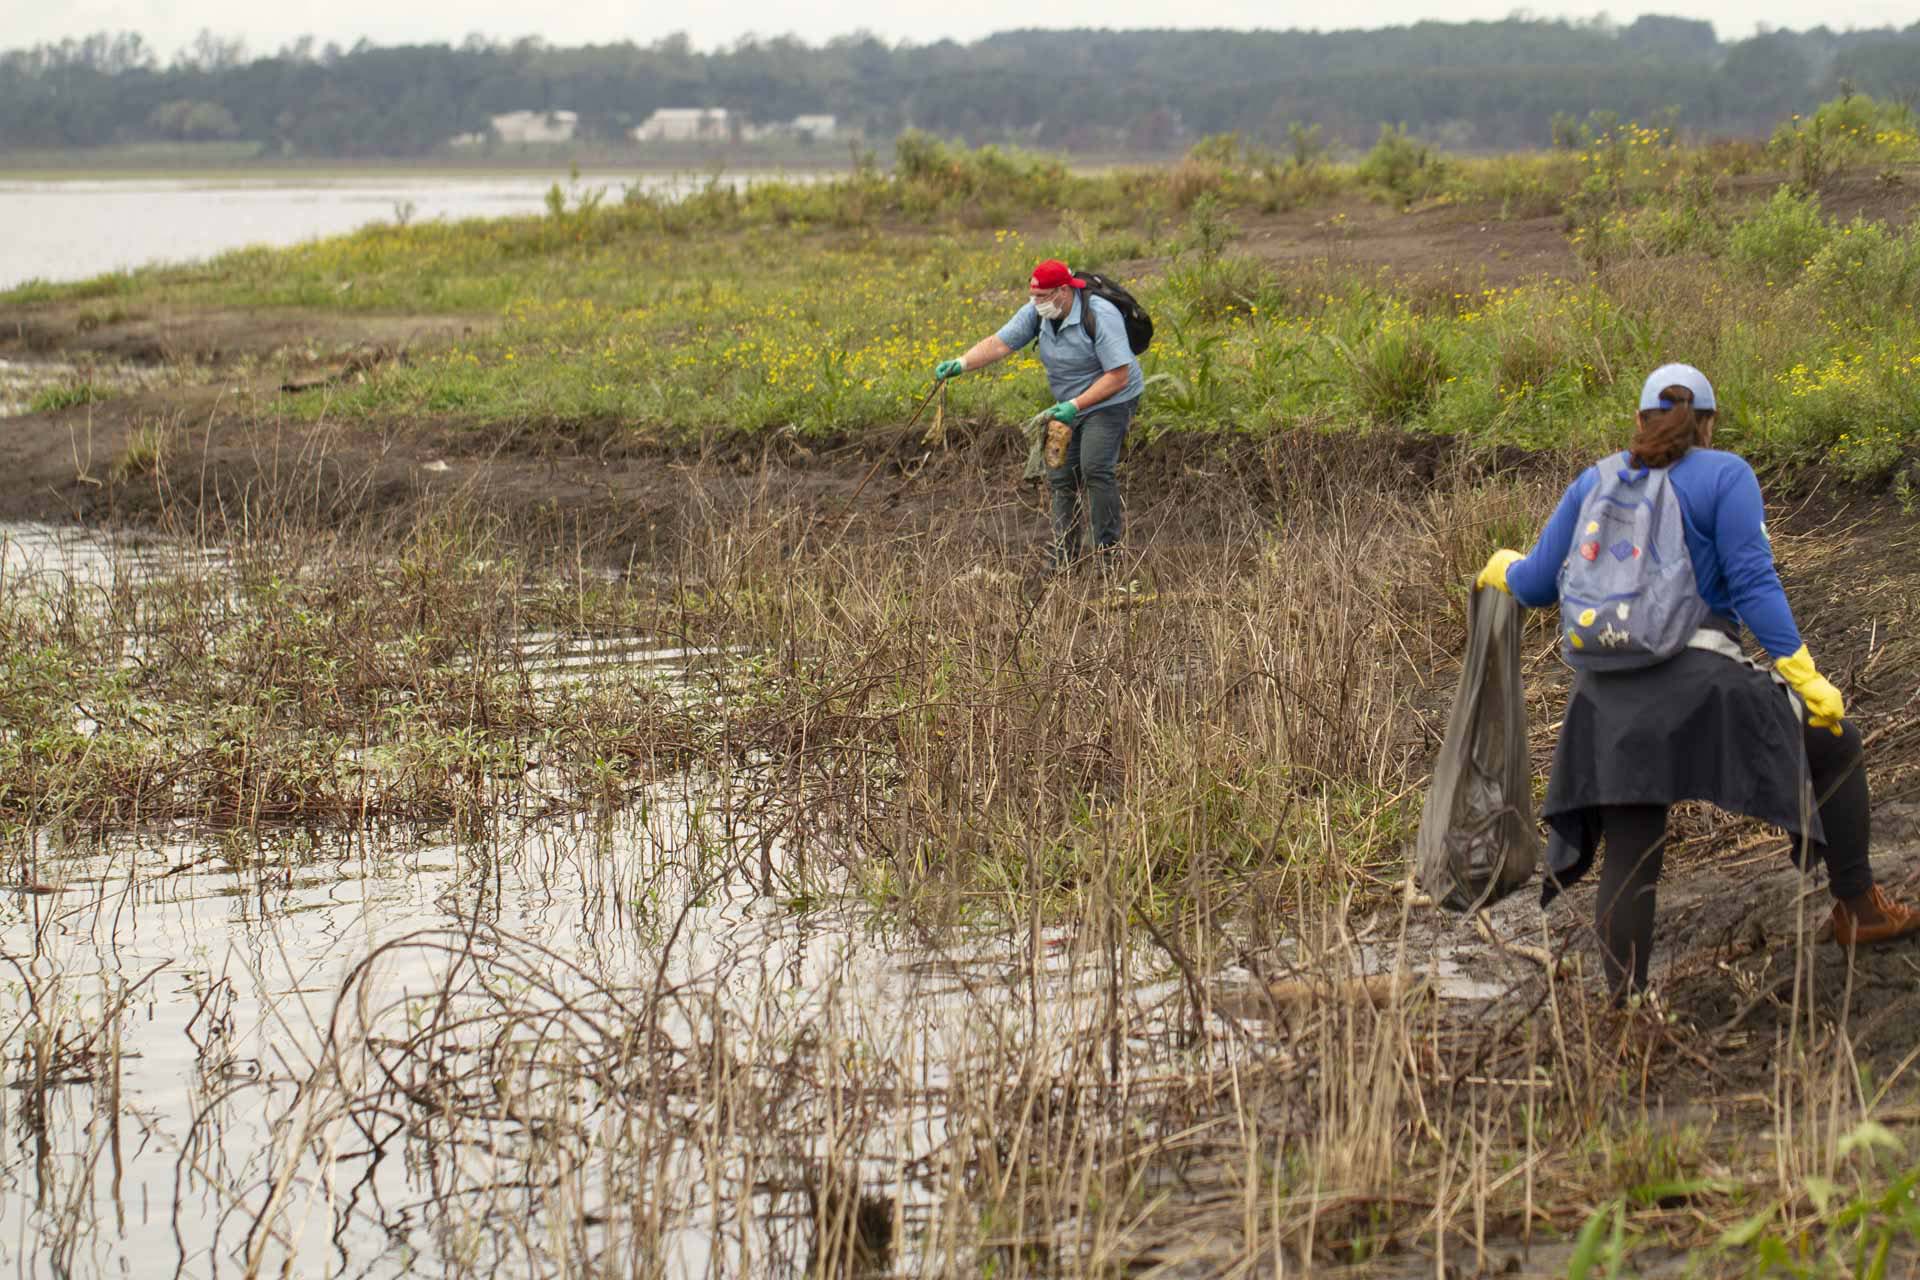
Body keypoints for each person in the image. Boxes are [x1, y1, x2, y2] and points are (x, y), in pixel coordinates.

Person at [1476, 363, 1919, 1002]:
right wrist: (1805, 675)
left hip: (1606, 700)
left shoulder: (1593, 482)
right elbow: (1753, 584)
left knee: (1632, 848)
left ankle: (1627, 1011)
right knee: (1837, 741)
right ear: (1707, 424)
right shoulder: (1725, 475)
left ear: (1641, 419)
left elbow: (1540, 584)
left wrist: (1503, 568)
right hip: (1702, 683)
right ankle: (1859, 908)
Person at [933, 259, 1145, 572]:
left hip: (1110, 399)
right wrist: (962, 363)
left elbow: (1118, 377)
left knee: (1095, 467)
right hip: (1068, 403)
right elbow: (1000, 344)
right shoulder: (1036, 312)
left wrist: (1076, 406)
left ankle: (1106, 554)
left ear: (1063, 291)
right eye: (1034, 297)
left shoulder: (1100, 314)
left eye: (1043, 297)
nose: (1037, 304)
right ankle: (1064, 555)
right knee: (1060, 476)